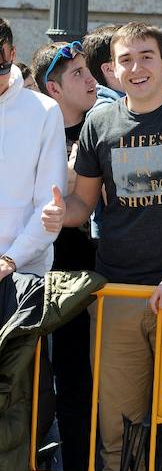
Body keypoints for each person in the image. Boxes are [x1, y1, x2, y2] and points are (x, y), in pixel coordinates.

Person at [41, 22, 162, 471]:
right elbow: (82, 204)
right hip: (119, 295)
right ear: (111, 70)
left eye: (147, 56)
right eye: (126, 59)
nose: (137, 67)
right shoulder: (99, 122)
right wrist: (57, 215)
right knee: (119, 433)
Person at [32, 41, 102, 471]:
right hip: (30, 277)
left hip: (86, 279)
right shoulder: (30, 131)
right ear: (53, 89)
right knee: (31, 386)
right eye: (77, 73)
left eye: (88, 69)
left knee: (79, 387)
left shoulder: (104, 127)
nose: (90, 78)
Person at [0, 19, 66, 279]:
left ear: (12, 54)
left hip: (23, 272)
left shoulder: (44, 111)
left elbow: (49, 201)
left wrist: (10, 260)